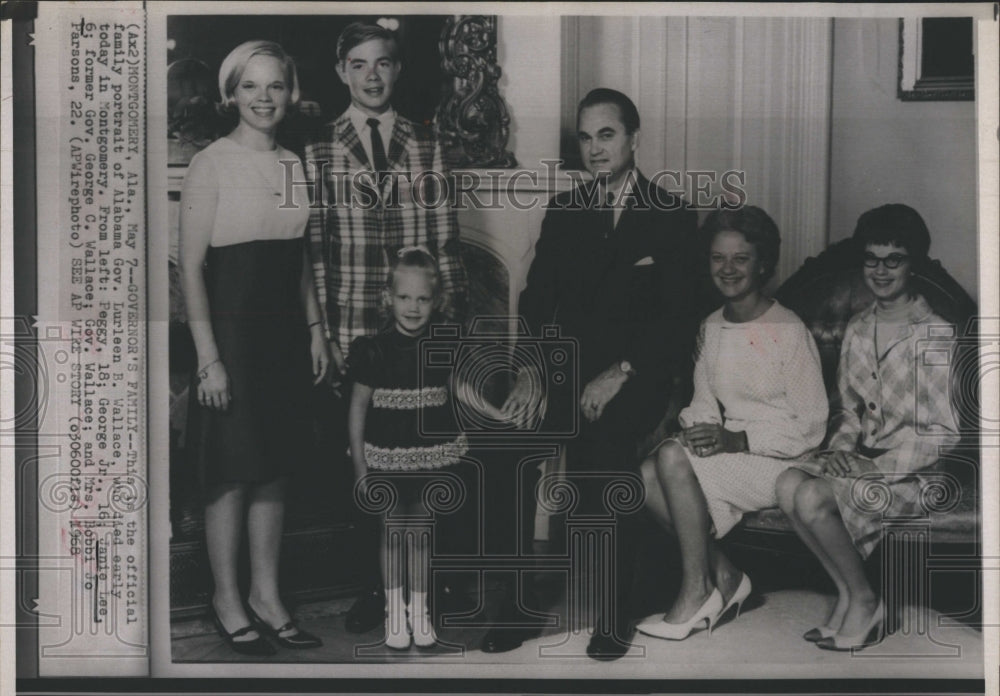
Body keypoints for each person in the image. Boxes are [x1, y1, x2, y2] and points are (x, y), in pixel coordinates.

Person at [498, 88, 700, 660]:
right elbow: (537, 304)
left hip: (637, 375)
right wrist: (533, 370)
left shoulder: (672, 214)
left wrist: (620, 371)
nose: (594, 148)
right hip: (564, 371)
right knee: (511, 444)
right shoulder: (565, 211)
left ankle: (614, 613)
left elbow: (677, 317)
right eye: (585, 138)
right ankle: (517, 606)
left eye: (605, 135)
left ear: (635, 137)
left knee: (607, 445)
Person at [306, 21, 469, 635]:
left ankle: (429, 585)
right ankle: (378, 589)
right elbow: (316, 248)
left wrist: (448, 332)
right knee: (366, 464)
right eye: (359, 64)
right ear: (342, 71)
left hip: (418, 333)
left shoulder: (425, 144)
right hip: (353, 326)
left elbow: (446, 243)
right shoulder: (320, 148)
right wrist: (319, 328)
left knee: (424, 466)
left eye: (383, 64)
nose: (371, 75)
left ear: (397, 71)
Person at [180, 40, 329, 655]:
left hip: (285, 337)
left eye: (274, 86)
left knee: (274, 472)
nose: (263, 98)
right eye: (250, 86)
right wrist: (209, 359)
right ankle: (227, 598)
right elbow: (189, 271)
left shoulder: (297, 165)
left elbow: (300, 264)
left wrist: (317, 330)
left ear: (290, 93)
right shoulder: (209, 164)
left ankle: (268, 596)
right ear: (231, 95)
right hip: (233, 338)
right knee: (233, 475)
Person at [636, 206, 829, 642]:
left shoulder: (789, 330)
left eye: (740, 259)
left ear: (763, 264)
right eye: (718, 258)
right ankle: (726, 576)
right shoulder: (712, 326)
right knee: (647, 475)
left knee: (666, 458)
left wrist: (738, 438)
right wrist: (700, 432)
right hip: (731, 451)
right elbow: (704, 401)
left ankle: (695, 591)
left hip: (783, 461)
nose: (727, 269)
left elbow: (812, 425)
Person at [775, 204, 961, 651]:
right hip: (864, 459)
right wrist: (840, 450)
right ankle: (846, 593)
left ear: (912, 264)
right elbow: (850, 412)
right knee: (786, 484)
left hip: (914, 473)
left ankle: (865, 599)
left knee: (812, 496)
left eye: (893, 259)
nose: (880, 270)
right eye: (871, 258)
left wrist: (876, 471)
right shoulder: (858, 328)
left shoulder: (933, 333)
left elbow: (942, 432)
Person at [347, 247, 498, 650]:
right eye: (404, 298)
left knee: (424, 534)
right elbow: (358, 407)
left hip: (430, 454)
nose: (412, 307)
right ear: (387, 298)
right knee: (393, 533)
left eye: (422, 299)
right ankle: (394, 613)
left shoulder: (444, 343)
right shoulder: (372, 349)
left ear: (436, 301)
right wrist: (360, 467)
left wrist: (490, 414)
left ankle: (420, 611)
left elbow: (455, 394)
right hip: (387, 456)